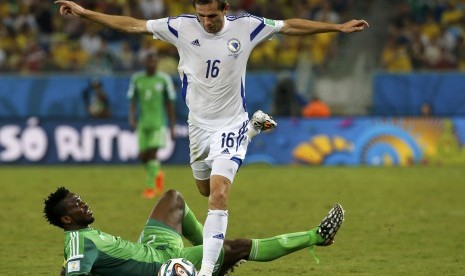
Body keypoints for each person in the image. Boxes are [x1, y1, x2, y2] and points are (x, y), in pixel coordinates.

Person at [54, 1, 368, 274]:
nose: (207, 22)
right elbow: (132, 25)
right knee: (203, 190)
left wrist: (336, 27)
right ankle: (254, 130)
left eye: (212, 16)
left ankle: (204, 271)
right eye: (202, 15)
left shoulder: (247, 26)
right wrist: (84, 13)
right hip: (198, 127)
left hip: (230, 124)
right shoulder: (180, 27)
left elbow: (290, 26)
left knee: (218, 195)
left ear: (225, 10)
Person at [43, 187, 345, 276]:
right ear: (67, 220)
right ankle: (316, 236)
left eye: (81, 199)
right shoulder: (78, 242)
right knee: (238, 247)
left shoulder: (82, 240)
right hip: (161, 268)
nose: (85, 204)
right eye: (77, 205)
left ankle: (212, 256)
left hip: (154, 249)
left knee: (173, 198)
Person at [128, 52, 176, 199]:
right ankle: (158, 174)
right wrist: (132, 118)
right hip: (144, 123)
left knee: (153, 154)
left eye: (154, 61)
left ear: (157, 63)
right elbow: (132, 100)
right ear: (145, 63)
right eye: (149, 61)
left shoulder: (164, 79)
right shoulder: (137, 79)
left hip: (159, 123)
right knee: (143, 156)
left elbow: (170, 103)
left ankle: (150, 188)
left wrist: (172, 126)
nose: (151, 64)